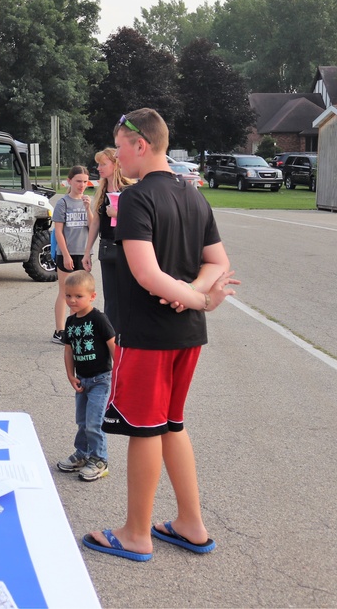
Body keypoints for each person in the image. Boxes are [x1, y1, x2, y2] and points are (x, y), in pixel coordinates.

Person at [83, 108, 239, 563]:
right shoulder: (192, 196)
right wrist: (194, 294)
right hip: (187, 335)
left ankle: (136, 533)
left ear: (140, 145)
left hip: (149, 334)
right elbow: (218, 264)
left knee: (145, 429)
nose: (117, 155)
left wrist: (192, 297)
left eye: (120, 145)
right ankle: (190, 523)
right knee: (172, 424)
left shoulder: (136, 198)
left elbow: (147, 273)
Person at [55, 270, 115, 482]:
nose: (72, 300)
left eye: (78, 296)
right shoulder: (70, 323)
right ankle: (82, 454)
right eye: (68, 295)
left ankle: (100, 460)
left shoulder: (98, 319)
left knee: (94, 422)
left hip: (101, 380)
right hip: (82, 379)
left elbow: (113, 347)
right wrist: (71, 376)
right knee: (82, 421)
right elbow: (69, 350)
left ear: (92, 296)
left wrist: (120, 376)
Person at [83, 148, 134, 331]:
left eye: (103, 164)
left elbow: (139, 220)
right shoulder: (102, 190)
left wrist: (117, 214)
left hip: (127, 248)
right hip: (107, 249)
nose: (99, 168)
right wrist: (87, 251)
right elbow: (96, 222)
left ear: (116, 164)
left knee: (127, 295)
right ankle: (111, 337)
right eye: (98, 164)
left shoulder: (130, 189)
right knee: (111, 297)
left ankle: (128, 334)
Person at [51, 165, 93, 344]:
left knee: (81, 293)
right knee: (65, 292)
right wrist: (66, 255)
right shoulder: (63, 203)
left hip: (83, 253)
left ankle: (76, 328)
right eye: (78, 181)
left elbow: (92, 228)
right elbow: (58, 231)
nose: (82, 185)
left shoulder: (87, 200)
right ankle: (60, 330)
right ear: (69, 181)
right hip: (67, 253)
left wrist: (88, 208)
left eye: (85, 181)